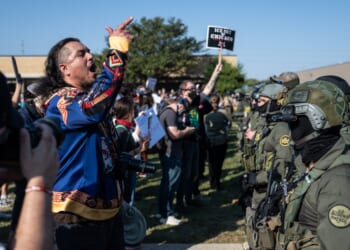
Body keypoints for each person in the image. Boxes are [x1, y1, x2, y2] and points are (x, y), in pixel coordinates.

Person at [43, 17, 134, 250]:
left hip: (109, 212)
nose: (90, 56)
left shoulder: (85, 102)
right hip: (75, 215)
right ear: (64, 69)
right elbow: (95, 105)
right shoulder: (61, 103)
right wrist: (117, 52)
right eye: (81, 54)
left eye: (89, 51)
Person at [275, 80, 350, 250]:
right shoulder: (307, 164)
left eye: (296, 121)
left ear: (319, 119)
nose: (291, 129)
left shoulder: (338, 182)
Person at [243, 83, 294, 250]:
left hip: (271, 193)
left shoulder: (281, 130)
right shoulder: (268, 125)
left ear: (275, 102)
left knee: (266, 237)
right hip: (259, 191)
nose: (258, 104)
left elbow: (282, 166)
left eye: (263, 100)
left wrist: (256, 178)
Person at [176, 63, 222, 210]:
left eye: (195, 89)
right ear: (183, 91)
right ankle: (180, 201)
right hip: (184, 143)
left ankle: (190, 198)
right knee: (185, 174)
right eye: (191, 90)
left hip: (196, 141)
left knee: (195, 173)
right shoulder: (178, 104)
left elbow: (207, 90)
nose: (194, 92)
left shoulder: (196, 101)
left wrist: (215, 73)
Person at [157, 95, 196, 225]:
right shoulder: (170, 113)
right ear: (179, 105)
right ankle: (166, 214)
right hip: (171, 154)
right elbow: (175, 134)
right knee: (170, 184)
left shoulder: (166, 112)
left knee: (167, 183)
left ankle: (164, 211)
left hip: (170, 153)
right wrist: (188, 130)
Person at [204, 93, 230, 191]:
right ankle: (217, 182)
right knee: (219, 163)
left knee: (211, 163)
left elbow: (204, 128)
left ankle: (212, 182)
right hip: (221, 140)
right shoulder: (224, 112)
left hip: (209, 140)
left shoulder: (205, 114)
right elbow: (228, 126)